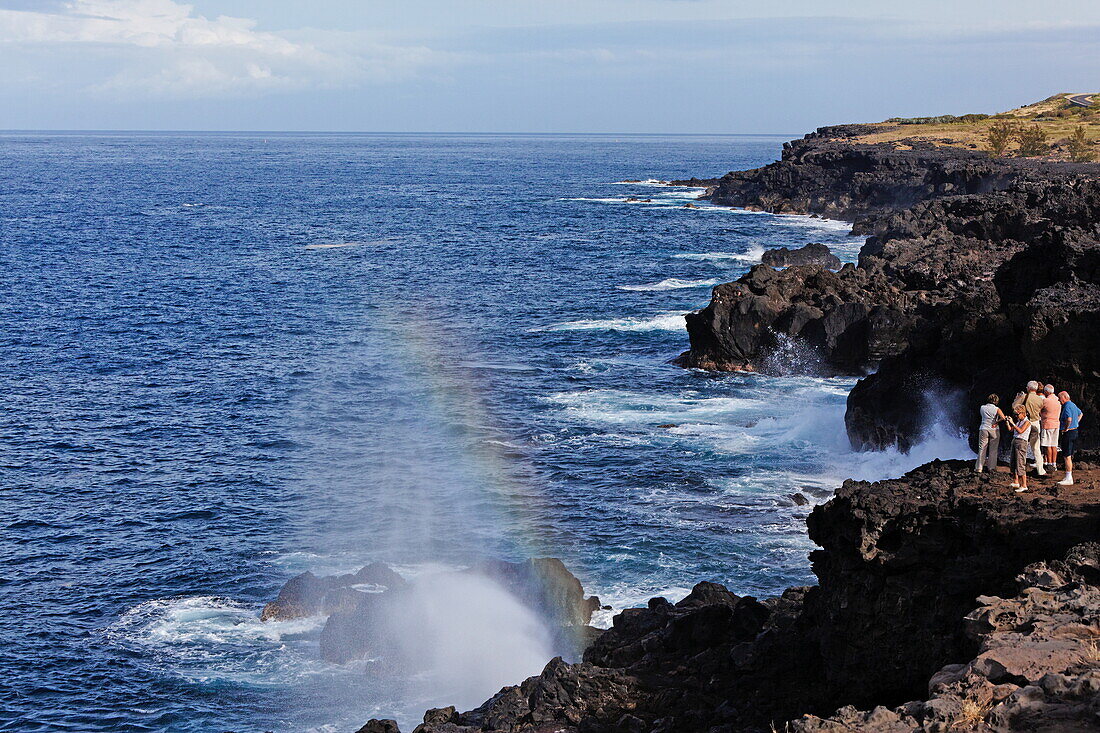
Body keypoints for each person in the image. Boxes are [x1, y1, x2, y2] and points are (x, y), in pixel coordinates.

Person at [975, 394, 1006, 473]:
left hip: (983, 428)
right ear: (996, 401)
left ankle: (979, 467)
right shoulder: (997, 409)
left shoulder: (982, 407)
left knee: (982, 448)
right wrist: (996, 422)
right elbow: (1003, 417)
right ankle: (991, 467)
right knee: (993, 450)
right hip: (994, 429)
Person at [1058, 391, 1083, 486]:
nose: (1059, 400)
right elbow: (1081, 414)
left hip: (1069, 432)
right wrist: (1076, 424)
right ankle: (1068, 476)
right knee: (1069, 454)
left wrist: (1066, 428)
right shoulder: (1073, 404)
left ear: (1064, 397)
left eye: (1059, 398)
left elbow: (1069, 419)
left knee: (1067, 455)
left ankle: (1069, 478)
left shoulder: (1067, 406)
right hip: (1074, 431)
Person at [1022, 381, 1046, 475]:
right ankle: (1040, 469)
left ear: (1028, 388)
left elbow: (1015, 407)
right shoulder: (1040, 399)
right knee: (1036, 447)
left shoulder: (1025, 397)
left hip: (1026, 422)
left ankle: (1021, 467)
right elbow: (1041, 409)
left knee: (1022, 445)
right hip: (1036, 423)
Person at [1009, 404, 1031, 492]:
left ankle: (1024, 485)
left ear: (1023, 413)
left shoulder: (1027, 422)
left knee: (1020, 463)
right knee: (1013, 462)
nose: (1016, 416)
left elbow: (1021, 431)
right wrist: (1008, 422)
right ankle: (1016, 481)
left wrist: (1013, 423)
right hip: (1015, 440)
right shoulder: (1018, 421)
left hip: (1021, 442)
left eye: (1017, 414)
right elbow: (1011, 429)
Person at [1040, 384, 1061, 471]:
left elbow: (1039, 410)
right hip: (1056, 424)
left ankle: (1049, 463)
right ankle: (1054, 463)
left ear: (1047, 392)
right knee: (1054, 445)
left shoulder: (1046, 401)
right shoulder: (1058, 400)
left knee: (1048, 445)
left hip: (1047, 424)